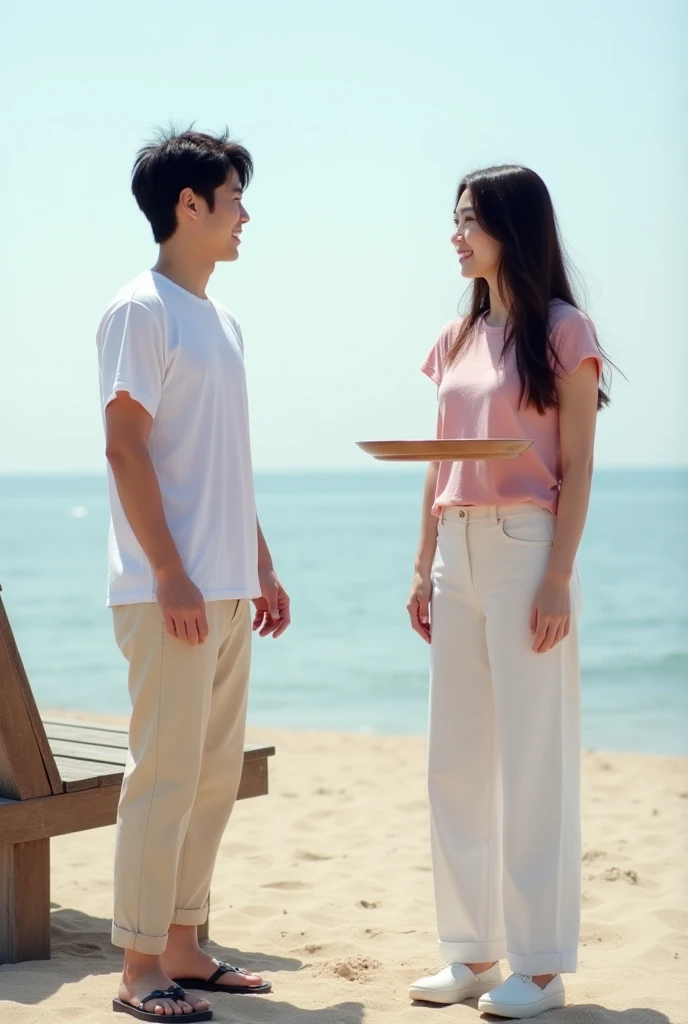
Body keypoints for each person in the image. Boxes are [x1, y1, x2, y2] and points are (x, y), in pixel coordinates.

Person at [406, 165, 611, 1019]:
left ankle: (540, 965)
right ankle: (473, 952)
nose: (455, 235)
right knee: (453, 761)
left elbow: (579, 465)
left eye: (468, 221)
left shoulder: (565, 331)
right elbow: (438, 459)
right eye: (453, 220)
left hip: (529, 549)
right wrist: (422, 565)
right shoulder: (456, 337)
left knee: (533, 759)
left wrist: (559, 575)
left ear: (510, 228)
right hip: (457, 552)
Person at [97, 127, 290, 1022]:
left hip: (225, 588)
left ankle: (184, 945)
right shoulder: (141, 310)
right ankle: (139, 967)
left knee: (212, 778)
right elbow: (125, 449)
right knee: (164, 777)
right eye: (233, 197)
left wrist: (259, 561)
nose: (244, 213)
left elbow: (221, 461)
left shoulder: (224, 319)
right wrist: (170, 571)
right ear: (190, 205)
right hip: (164, 587)